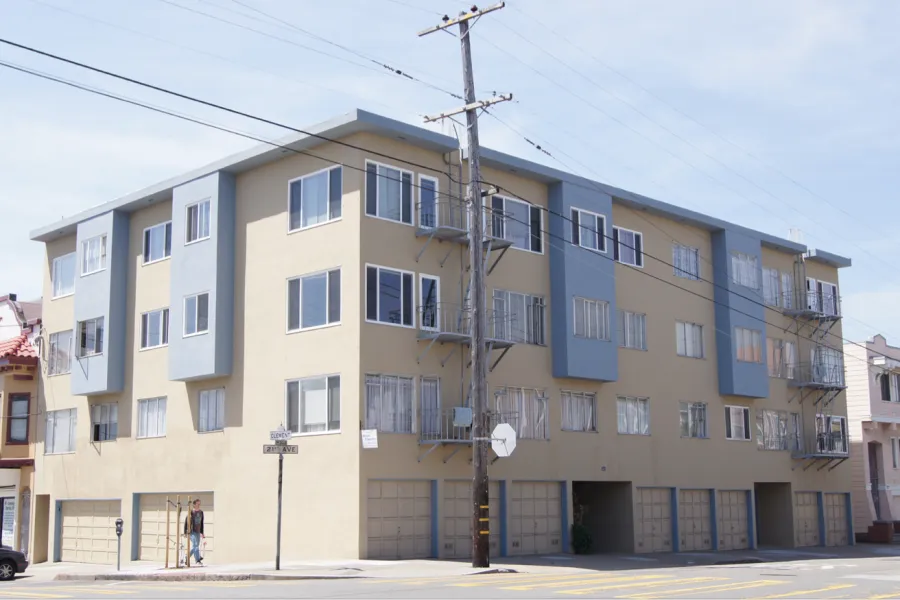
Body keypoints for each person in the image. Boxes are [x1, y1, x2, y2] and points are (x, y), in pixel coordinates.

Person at [183, 498, 205, 566]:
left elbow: (201, 523)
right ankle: (198, 560)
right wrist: (185, 532)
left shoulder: (201, 512)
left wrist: (202, 532)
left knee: (195, 546)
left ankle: (186, 557)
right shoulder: (191, 513)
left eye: (199, 504)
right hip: (192, 531)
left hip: (198, 531)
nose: (199, 505)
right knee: (196, 545)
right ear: (194, 504)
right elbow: (186, 522)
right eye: (198, 504)